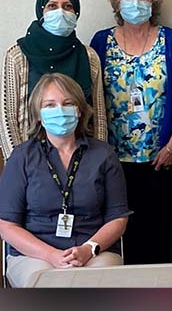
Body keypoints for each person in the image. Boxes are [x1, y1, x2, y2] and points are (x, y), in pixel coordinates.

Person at [90, 0, 172, 264]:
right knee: (119, 235)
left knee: (158, 234)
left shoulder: (171, 41)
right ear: (117, 3)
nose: (135, 2)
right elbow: (92, 98)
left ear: (154, 2)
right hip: (113, 160)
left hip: (162, 157)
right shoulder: (101, 42)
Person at [0, 73, 130, 287]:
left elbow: (118, 219)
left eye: (67, 103)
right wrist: (51, 255)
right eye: (50, 105)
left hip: (95, 252)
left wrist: (88, 249)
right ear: (39, 115)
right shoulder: (21, 157)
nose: (59, 110)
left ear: (79, 110)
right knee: (49, 288)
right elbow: (7, 225)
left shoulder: (104, 155)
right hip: (35, 255)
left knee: (102, 289)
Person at [0, 0, 107, 160]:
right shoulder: (18, 56)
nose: (61, 12)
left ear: (76, 13)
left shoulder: (89, 57)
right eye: (52, 6)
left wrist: (100, 161)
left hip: (82, 161)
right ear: (41, 12)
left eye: (67, 6)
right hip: (32, 162)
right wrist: (18, 165)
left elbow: (99, 115)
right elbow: (7, 118)